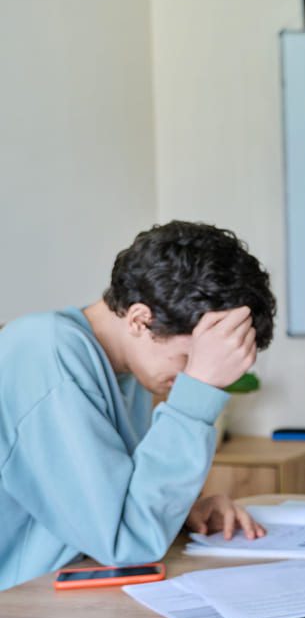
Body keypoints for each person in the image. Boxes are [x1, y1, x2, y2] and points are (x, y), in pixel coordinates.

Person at [0, 221, 276, 591]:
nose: (185, 378)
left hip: (64, 593)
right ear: (139, 320)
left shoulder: (129, 370)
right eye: (187, 360)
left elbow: (110, 502)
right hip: (20, 610)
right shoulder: (47, 354)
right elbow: (126, 542)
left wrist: (181, 513)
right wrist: (198, 390)